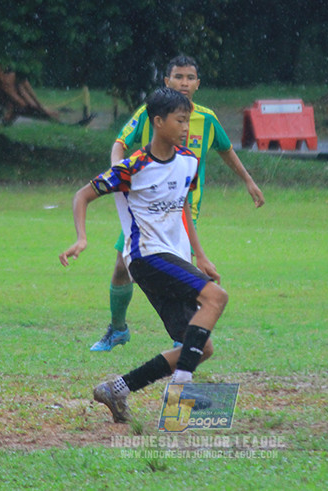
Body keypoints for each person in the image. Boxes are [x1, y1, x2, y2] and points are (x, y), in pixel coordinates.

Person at [59, 87, 228, 423]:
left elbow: (182, 209)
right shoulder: (132, 166)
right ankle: (182, 391)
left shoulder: (189, 163)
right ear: (158, 121)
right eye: (180, 121)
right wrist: (81, 238)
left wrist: (200, 254)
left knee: (200, 348)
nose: (185, 128)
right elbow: (83, 195)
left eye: (188, 122)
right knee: (216, 298)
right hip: (146, 257)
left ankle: (118, 388)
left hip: (173, 257)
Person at [89, 55, 263, 351]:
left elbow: (226, 150)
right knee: (122, 266)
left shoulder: (207, 119)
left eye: (190, 77)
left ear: (198, 83)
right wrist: (116, 173)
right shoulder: (151, 112)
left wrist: (248, 180)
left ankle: (182, 335)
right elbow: (120, 142)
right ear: (166, 81)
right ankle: (118, 329)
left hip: (182, 208)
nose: (184, 82)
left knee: (180, 270)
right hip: (145, 208)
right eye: (178, 77)